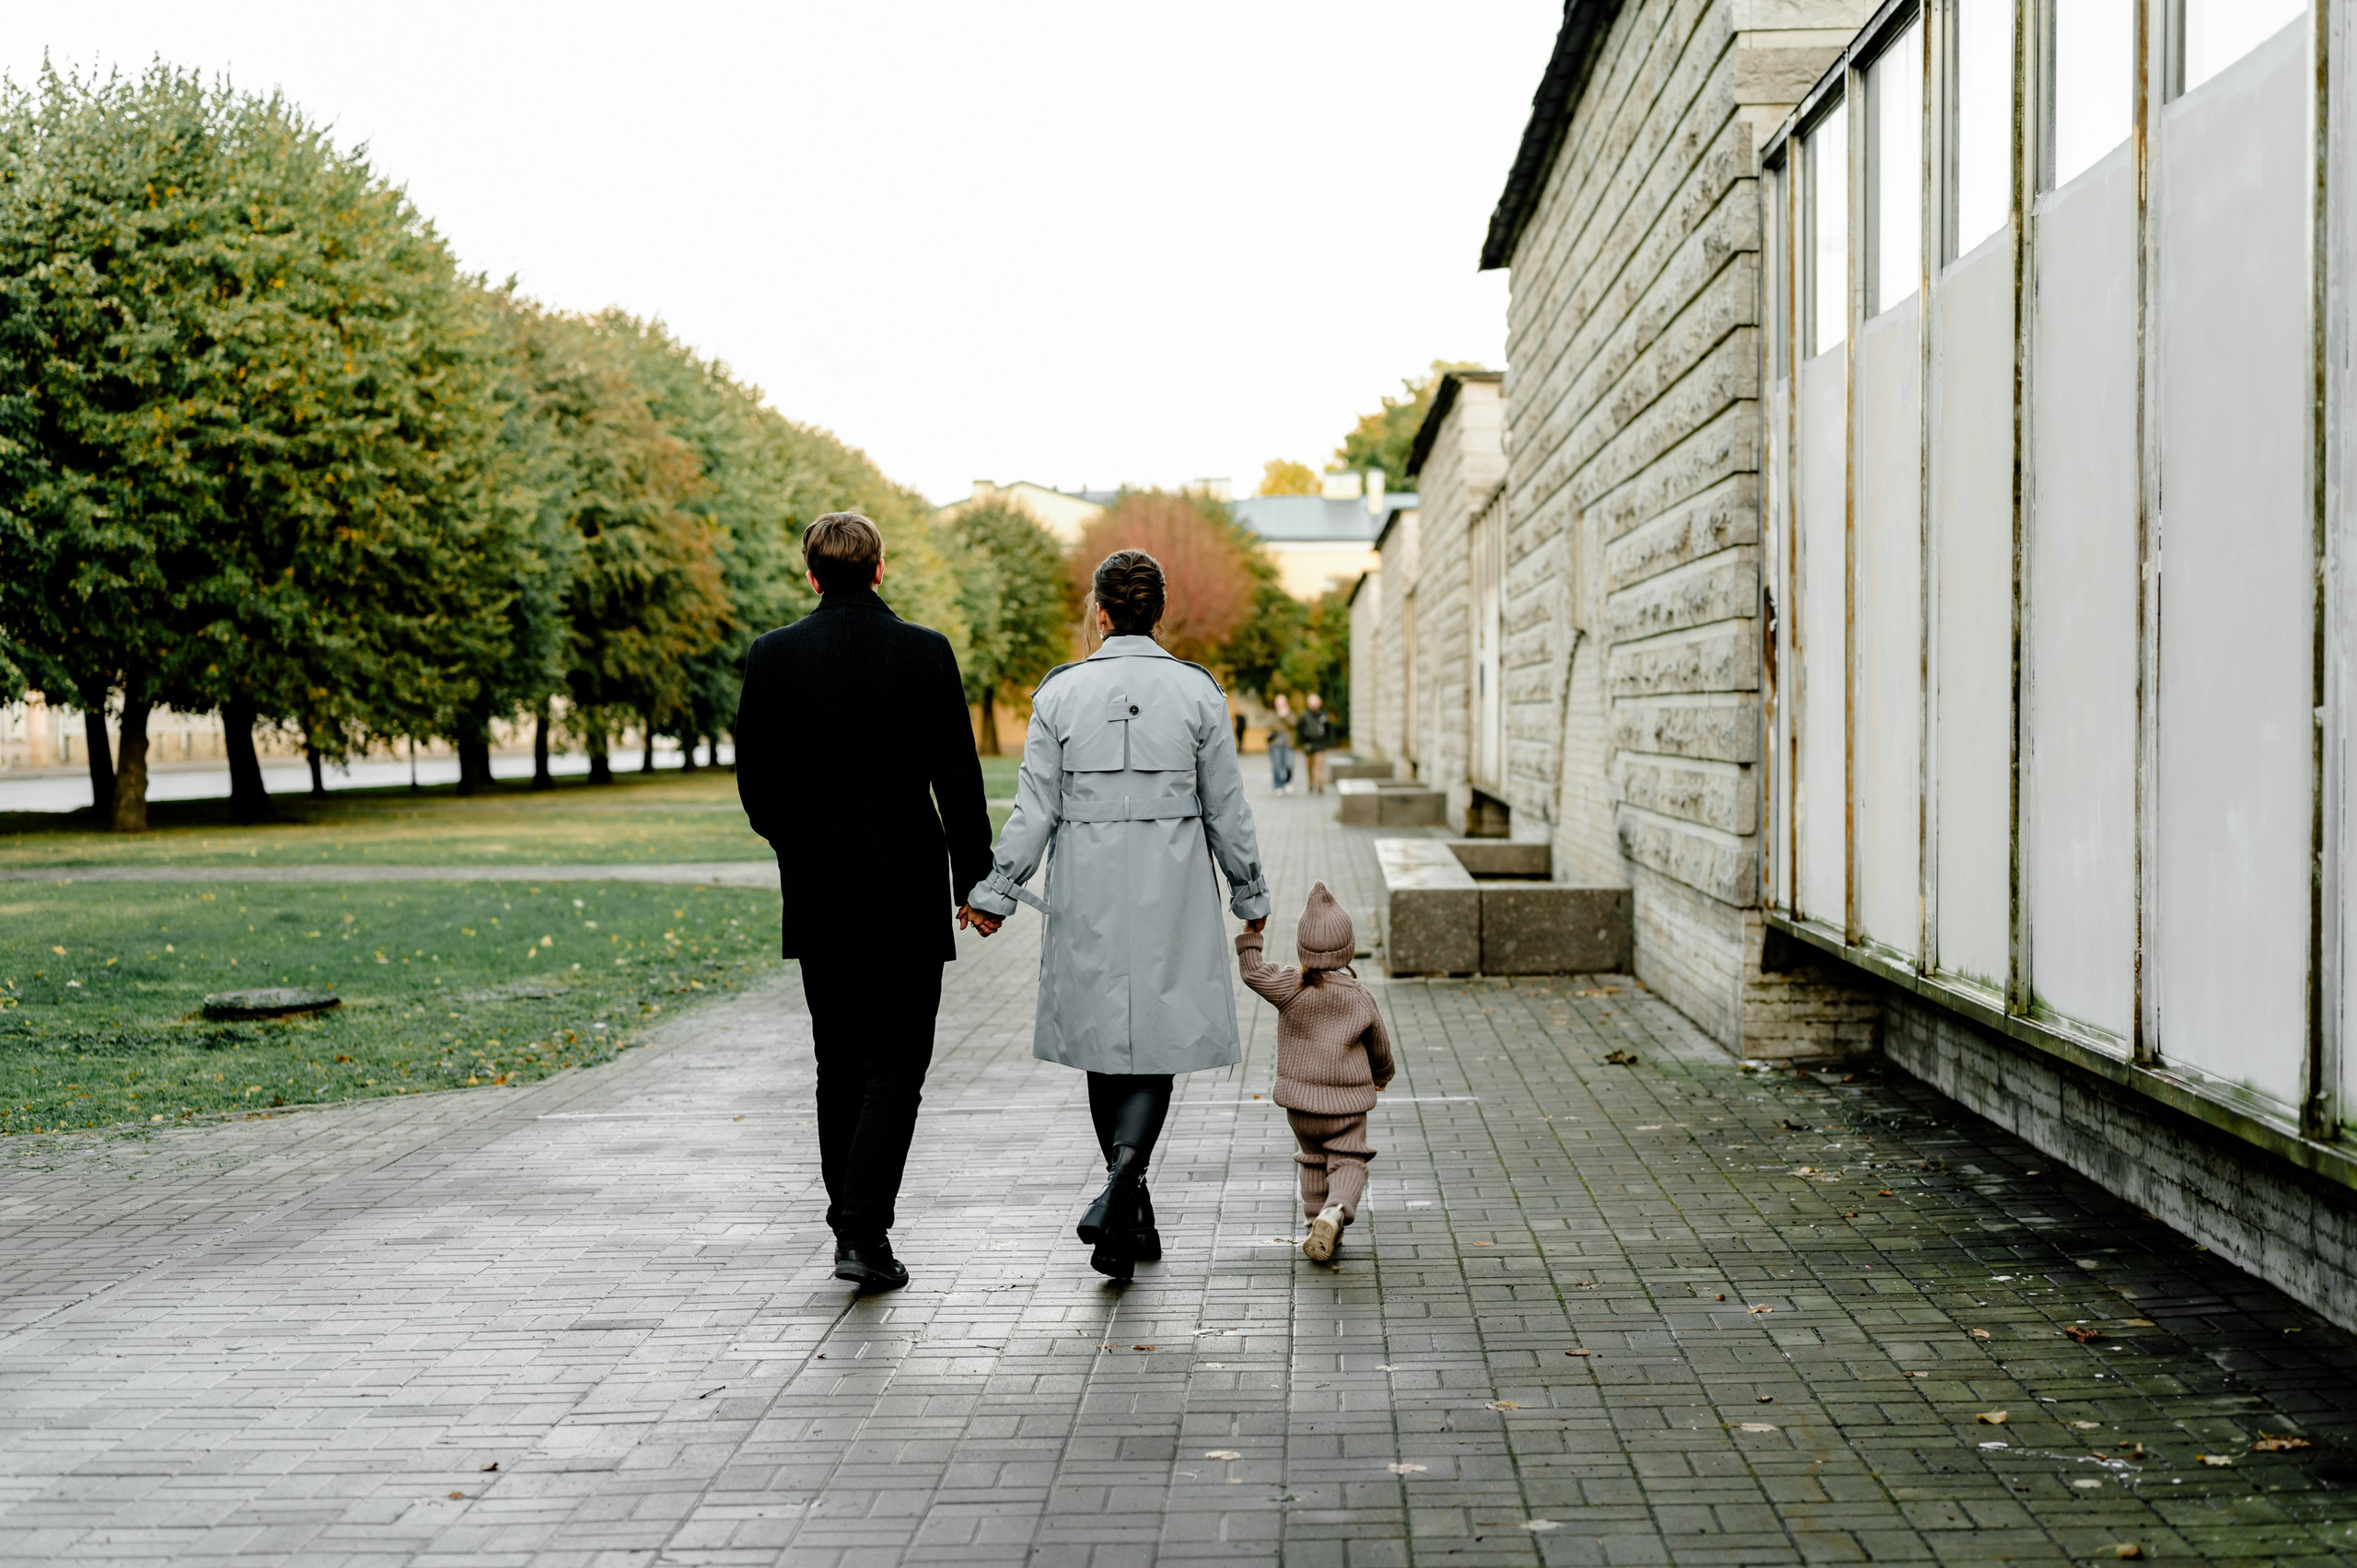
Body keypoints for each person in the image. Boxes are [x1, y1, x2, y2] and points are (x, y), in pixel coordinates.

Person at [963, 549, 1271, 1281]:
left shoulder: (1059, 694)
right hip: (1173, 886)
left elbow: (1033, 809)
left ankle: (1120, 1199)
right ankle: (1126, 1202)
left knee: (1108, 1044)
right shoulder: (1197, 692)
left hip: (1089, 887)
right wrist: (1250, 894)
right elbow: (1226, 804)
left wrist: (994, 893)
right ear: (1157, 611)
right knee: (1153, 1043)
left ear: (1100, 611)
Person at [734, 512, 993, 1294]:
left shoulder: (774, 655)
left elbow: (756, 783)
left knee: (836, 1067)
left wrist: (800, 846)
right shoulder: (925, 652)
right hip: (906, 892)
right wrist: (974, 883)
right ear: (880, 569)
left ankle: (852, 1225)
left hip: (820, 896)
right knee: (894, 1072)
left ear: (812, 575)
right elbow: (959, 779)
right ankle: (862, 1229)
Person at [1236, 882, 1394, 1261]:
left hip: (1301, 1106)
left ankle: (1316, 1228)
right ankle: (1334, 1211)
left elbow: (1253, 973)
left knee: (1311, 1159)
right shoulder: (1359, 995)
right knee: (1348, 1161)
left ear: (1302, 947)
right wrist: (1382, 1074)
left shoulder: (1289, 984)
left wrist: (1251, 935)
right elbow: (1379, 1044)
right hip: (1346, 1106)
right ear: (1348, 948)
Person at [1295, 691, 1333, 794]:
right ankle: (1311, 783)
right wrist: (1303, 741)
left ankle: (1320, 784)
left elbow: (1328, 728)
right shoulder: (1304, 715)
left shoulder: (1323, 715)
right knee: (1310, 766)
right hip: (1309, 744)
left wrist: (1329, 741)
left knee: (1320, 765)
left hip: (1320, 744)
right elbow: (1300, 729)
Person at [1268, 693, 1296, 795]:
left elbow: (1294, 723)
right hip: (1276, 744)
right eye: (1277, 703)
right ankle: (1278, 785)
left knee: (1289, 765)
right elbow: (1272, 725)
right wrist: (1280, 717)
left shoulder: (1290, 714)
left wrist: (1286, 716)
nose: (1279, 705)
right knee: (1276, 766)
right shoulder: (1272, 714)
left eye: (1281, 703)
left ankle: (1288, 782)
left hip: (1288, 744)